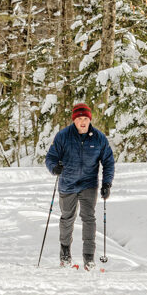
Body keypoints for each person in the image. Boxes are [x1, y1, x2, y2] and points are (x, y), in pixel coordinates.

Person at [44, 103, 115, 270]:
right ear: (74, 120)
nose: (83, 122)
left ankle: (89, 257)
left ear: (89, 119)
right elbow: (51, 157)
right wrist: (54, 168)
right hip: (67, 183)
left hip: (89, 184)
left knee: (88, 218)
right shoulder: (63, 136)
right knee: (67, 218)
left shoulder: (98, 138)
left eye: (85, 118)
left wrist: (106, 183)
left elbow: (108, 162)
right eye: (79, 119)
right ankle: (65, 252)